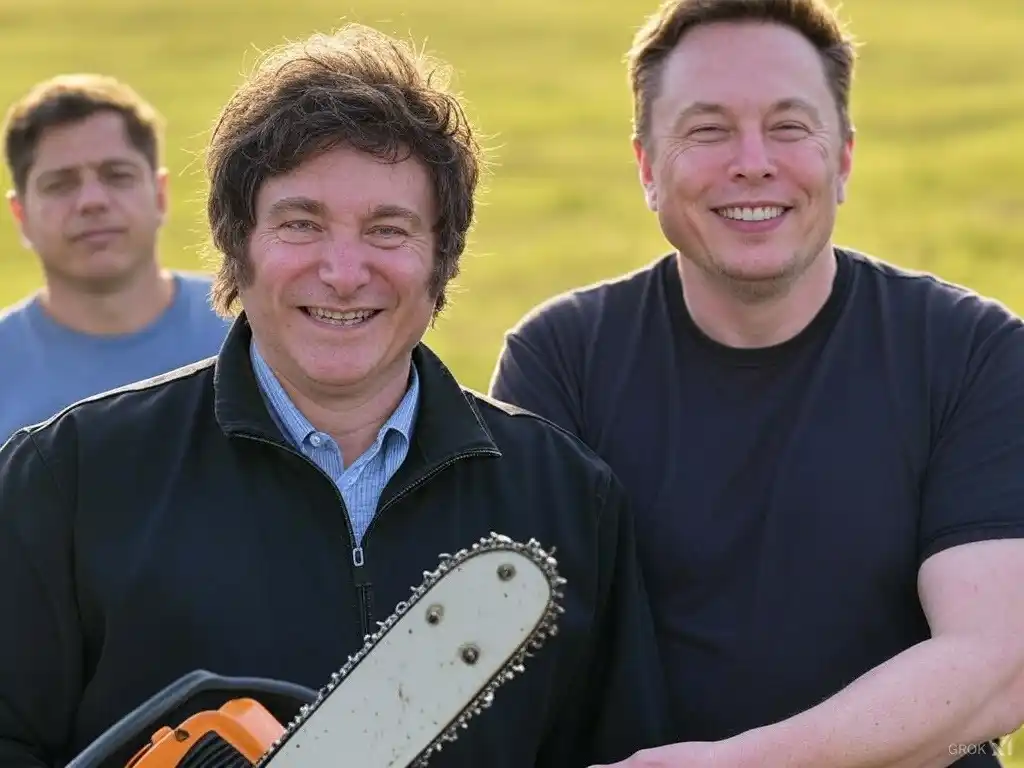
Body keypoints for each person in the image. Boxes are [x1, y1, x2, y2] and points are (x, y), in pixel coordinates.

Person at [0, 25, 670, 768]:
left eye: (388, 230)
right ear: (237, 245)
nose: (345, 273)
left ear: (440, 258)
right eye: (301, 224)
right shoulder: (68, 480)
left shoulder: (567, 499)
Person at [489, 1, 1024, 766]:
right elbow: (516, 658)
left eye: (789, 127)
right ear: (647, 168)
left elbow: (996, 669)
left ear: (843, 159)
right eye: (708, 131)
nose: (752, 162)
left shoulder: (972, 352)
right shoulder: (559, 360)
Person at [0, 74, 231, 444]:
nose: (92, 201)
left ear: (159, 195)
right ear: (21, 215)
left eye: (117, 175)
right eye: (60, 184)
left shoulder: (249, 330)